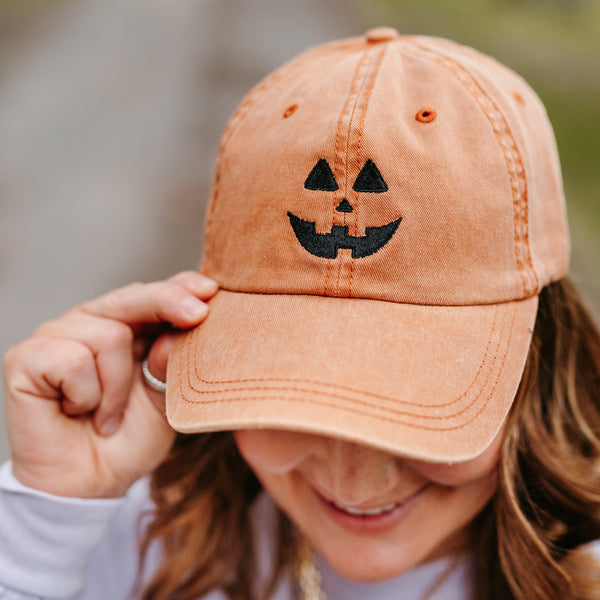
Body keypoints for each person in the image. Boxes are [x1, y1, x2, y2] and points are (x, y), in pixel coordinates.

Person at [1, 27, 599, 600]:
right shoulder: (135, 542)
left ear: (540, 362)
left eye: (419, 398)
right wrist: (45, 526)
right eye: (290, 390)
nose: (351, 479)